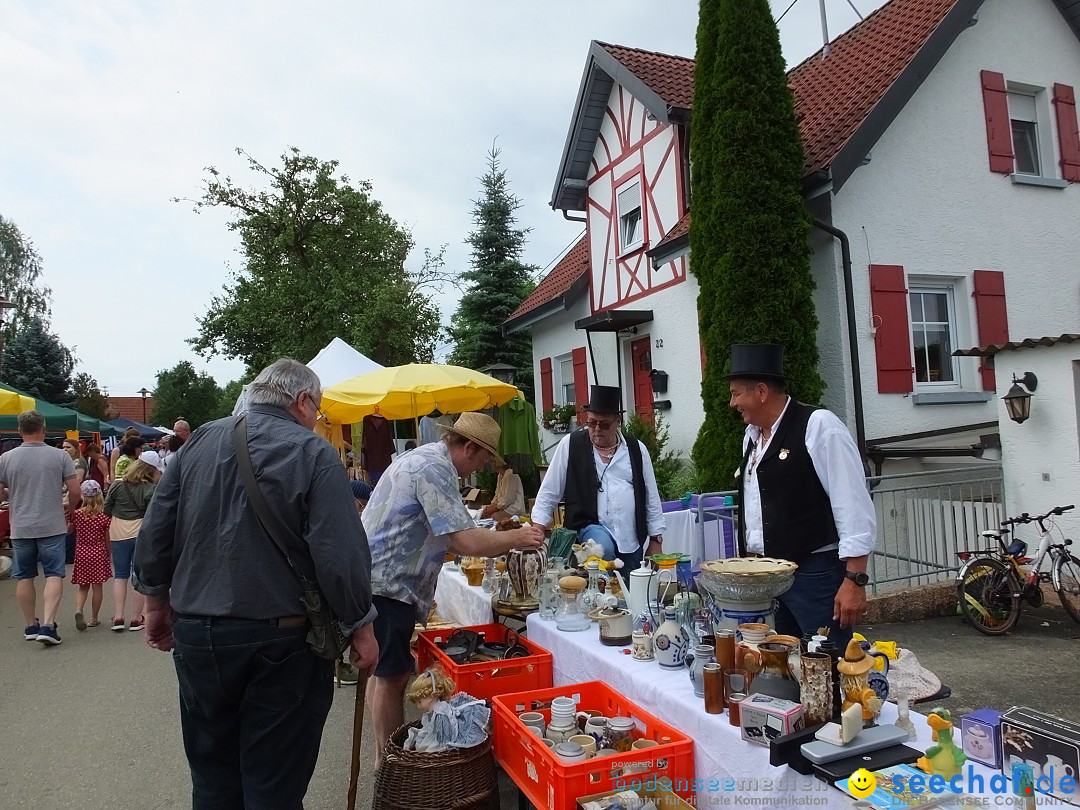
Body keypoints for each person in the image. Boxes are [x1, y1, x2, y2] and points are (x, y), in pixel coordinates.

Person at [133, 358, 378, 809]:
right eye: (318, 410)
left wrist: (154, 602)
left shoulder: (201, 439)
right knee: (273, 785)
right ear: (302, 401)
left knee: (211, 778)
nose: (316, 419)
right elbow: (339, 554)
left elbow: (156, 529)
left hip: (199, 633)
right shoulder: (312, 452)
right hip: (279, 640)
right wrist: (361, 625)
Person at [363, 411, 543, 766]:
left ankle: (383, 758)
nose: (481, 467)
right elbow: (465, 542)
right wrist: (517, 537)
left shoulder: (423, 458)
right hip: (387, 583)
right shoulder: (436, 467)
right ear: (469, 447)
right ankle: (394, 764)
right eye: (483, 458)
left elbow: (447, 536)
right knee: (393, 675)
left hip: (378, 578)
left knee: (384, 671)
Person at [727, 344, 875, 653]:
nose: (733, 403)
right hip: (768, 578)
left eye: (737, 393)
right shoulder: (751, 439)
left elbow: (852, 503)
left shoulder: (819, 426)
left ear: (762, 391)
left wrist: (855, 579)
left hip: (814, 574)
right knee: (782, 665)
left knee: (827, 663)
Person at [532, 385, 666, 571]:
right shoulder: (570, 445)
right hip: (589, 528)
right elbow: (550, 490)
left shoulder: (636, 449)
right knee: (603, 548)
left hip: (631, 539)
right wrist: (538, 526)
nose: (596, 429)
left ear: (617, 421)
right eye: (591, 423)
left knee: (630, 594)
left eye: (603, 424)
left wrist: (655, 540)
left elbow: (651, 497)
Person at [0, 410, 81, 645]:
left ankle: (30, 625)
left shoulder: (6, 458)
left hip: (21, 526)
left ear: (19, 431)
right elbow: (75, 491)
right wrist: (70, 509)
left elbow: (1, 492)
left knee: (24, 576)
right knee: (54, 574)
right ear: (44, 429)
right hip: (52, 523)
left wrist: (10, 497)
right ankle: (48, 624)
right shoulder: (60, 456)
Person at [105, 450, 163, 631]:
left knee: (120, 575)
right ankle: (137, 618)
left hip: (118, 532)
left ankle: (118, 616)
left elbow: (107, 508)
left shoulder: (117, 484)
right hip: (140, 533)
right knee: (138, 576)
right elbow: (154, 515)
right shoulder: (151, 489)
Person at [70, 479, 112, 630]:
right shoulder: (103, 517)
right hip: (98, 553)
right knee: (97, 587)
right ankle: (94, 618)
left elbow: (69, 530)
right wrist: (109, 553)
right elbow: (107, 539)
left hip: (81, 552)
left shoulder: (77, 515)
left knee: (83, 587)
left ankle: (79, 609)